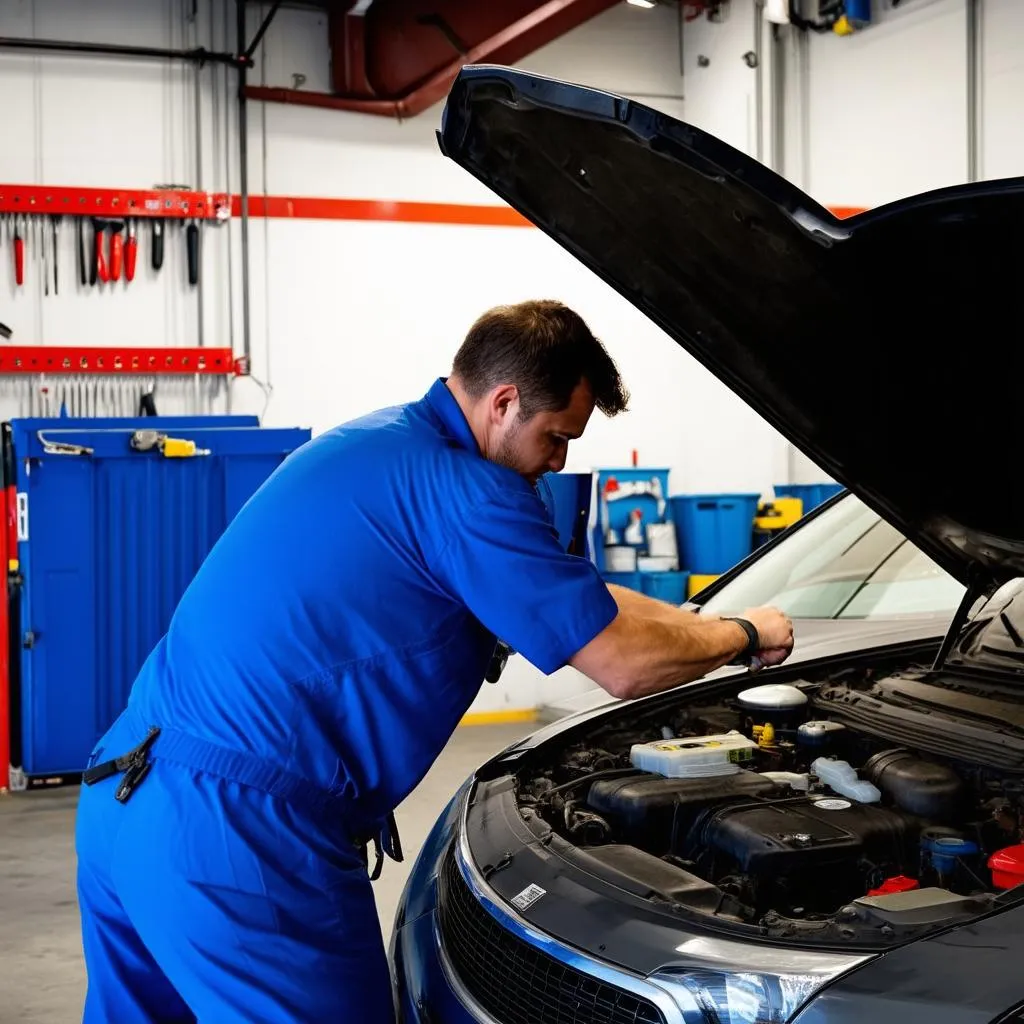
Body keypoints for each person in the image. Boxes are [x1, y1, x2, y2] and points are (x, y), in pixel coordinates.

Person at [74, 299, 794, 1023]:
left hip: (126, 795)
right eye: (556, 436)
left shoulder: (381, 444)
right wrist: (744, 634)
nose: (560, 460)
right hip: (237, 837)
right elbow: (622, 662)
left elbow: (579, 602)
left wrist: (695, 621)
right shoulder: (469, 491)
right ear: (504, 402)